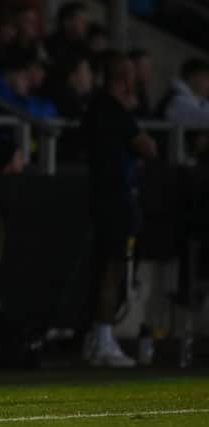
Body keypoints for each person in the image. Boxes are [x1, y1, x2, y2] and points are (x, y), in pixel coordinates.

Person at [80, 52, 157, 368]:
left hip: (100, 197)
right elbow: (148, 147)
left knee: (105, 269)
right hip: (115, 200)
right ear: (123, 78)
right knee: (112, 270)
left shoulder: (96, 108)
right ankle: (103, 338)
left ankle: (96, 338)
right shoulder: (113, 109)